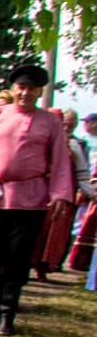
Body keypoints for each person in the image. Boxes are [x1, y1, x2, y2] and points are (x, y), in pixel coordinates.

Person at [0, 63, 75, 334]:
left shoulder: (50, 121)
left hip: (30, 200)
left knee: (18, 256)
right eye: (21, 87)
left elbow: (59, 160)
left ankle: (9, 311)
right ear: (13, 89)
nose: (25, 93)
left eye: (31, 89)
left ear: (39, 92)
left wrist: (60, 194)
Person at [31, 106, 88, 277]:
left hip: (61, 195)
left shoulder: (74, 145)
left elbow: (81, 172)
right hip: (37, 194)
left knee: (53, 234)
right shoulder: (39, 140)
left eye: (71, 124)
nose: (67, 127)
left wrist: (89, 192)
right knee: (36, 232)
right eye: (64, 123)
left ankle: (46, 267)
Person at [69, 110, 97, 275]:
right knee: (83, 221)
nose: (85, 125)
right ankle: (79, 258)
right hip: (87, 185)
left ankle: (83, 260)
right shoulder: (83, 142)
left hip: (90, 186)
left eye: (88, 121)